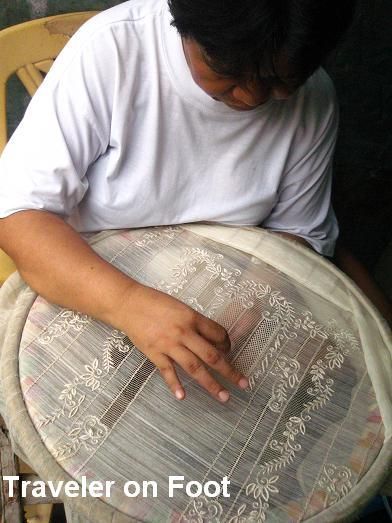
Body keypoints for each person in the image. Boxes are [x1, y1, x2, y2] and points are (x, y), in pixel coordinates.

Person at [0, 0, 358, 402]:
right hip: (90, 287)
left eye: (277, 80)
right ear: (186, 27)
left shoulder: (314, 101)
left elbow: (298, 236)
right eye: (229, 70)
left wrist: (254, 294)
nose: (253, 94)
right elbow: (19, 216)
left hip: (221, 300)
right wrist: (128, 303)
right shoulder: (114, 51)